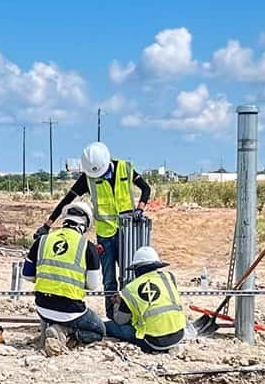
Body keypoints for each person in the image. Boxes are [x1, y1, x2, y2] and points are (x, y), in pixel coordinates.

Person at [33, 142, 151, 317]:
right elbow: (66, 200)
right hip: (105, 235)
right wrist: (47, 225)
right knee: (109, 280)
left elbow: (146, 189)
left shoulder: (125, 168)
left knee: (129, 276)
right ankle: (112, 316)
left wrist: (140, 209)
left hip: (127, 232)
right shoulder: (88, 178)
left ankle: (130, 314)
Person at [23, 200, 105, 356]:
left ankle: (52, 330)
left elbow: (27, 274)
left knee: (53, 311)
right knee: (99, 331)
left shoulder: (42, 240)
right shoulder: (87, 247)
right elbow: (93, 285)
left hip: (42, 307)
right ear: (85, 224)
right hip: (70, 310)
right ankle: (65, 331)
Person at [104, 246, 185, 353]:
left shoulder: (130, 289)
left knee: (107, 326)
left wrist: (117, 304)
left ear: (137, 269)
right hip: (179, 334)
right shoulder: (168, 277)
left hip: (152, 341)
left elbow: (120, 320)